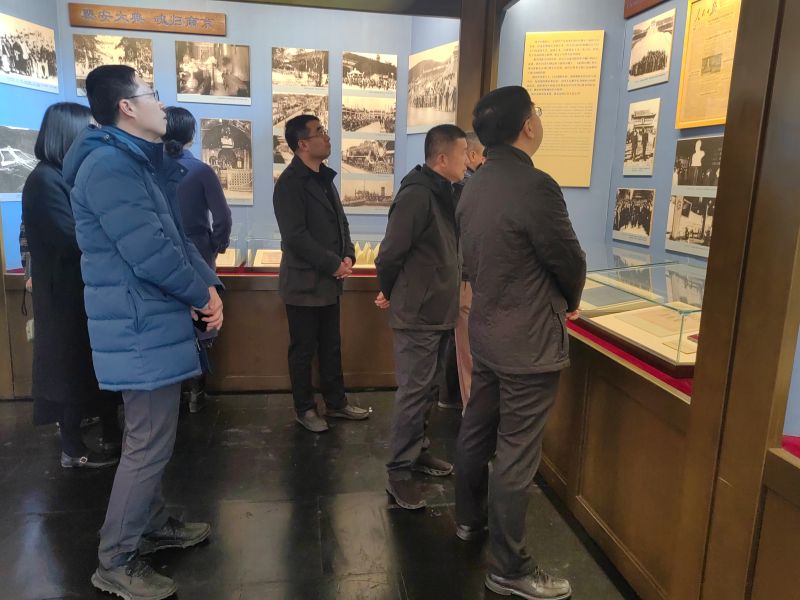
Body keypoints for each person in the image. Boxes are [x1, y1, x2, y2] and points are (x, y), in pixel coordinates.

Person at [63, 65, 224, 600]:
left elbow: (175, 239)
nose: (161, 103)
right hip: (139, 325)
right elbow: (150, 253)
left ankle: (150, 525)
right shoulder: (109, 165)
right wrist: (200, 296)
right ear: (126, 108)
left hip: (149, 321)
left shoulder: (133, 160)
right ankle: (116, 559)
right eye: (151, 93)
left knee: (151, 437)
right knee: (148, 442)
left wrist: (209, 286)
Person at [455, 86, 585, 600]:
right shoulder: (535, 186)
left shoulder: (474, 184)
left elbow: (472, 259)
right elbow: (567, 258)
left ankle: (468, 520)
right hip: (528, 341)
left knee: (476, 429)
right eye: (537, 113)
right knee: (516, 453)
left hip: (487, 331)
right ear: (528, 125)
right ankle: (510, 568)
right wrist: (570, 299)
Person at [21, 101, 123, 469]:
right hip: (63, 295)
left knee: (88, 366)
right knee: (69, 368)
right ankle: (72, 447)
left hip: (80, 289)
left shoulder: (63, 177)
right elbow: (70, 238)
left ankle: (109, 434)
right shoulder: (44, 181)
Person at [375, 124, 467, 510]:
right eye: (462, 155)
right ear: (442, 159)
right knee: (414, 392)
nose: (468, 161)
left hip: (438, 311)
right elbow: (390, 254)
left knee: (428, 390)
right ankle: (399, 470)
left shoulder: (446, 192)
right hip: (417, 313)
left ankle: (418, 450)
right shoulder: (417, 195)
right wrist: (390, 290)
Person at [273, 114, 369, 433]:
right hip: (303, 283)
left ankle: (336, 403)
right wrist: (333, 263)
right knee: (303, 350)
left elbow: (341, 222)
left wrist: (348, 254)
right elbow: (295, 237)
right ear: (302, 144)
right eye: (320, 132)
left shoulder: (324, 178)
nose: (327, 137)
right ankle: (305, 408)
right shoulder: (289, 183)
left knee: (331, 346)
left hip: (328, 282)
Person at [163, 106, 233, 414]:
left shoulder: (150, 170)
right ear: (191, 135)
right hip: (199, 253)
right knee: (204, 317)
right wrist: (216, 246)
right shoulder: (201, 171)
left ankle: (174, 393)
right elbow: (223, 217)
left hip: (165, 253)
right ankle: (196, 391)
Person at [451, 131, 485, 409]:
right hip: (470, 281)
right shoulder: (471, 190)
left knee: (469, 356)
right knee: (472, 357)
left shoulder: (463, 189)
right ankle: (474, 415)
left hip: (468, 280)